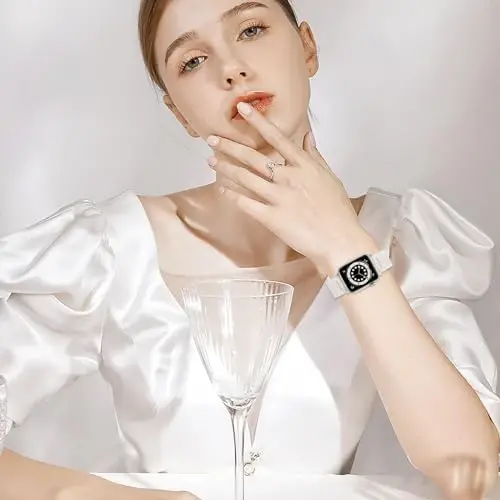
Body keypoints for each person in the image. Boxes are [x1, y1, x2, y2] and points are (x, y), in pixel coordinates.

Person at [0, 0, 499, 498]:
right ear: (179, 113)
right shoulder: (110, 250)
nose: (231, 68)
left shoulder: (401, 240)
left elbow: (473, 466)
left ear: (307, 48)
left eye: (251, 30)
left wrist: (345, 249)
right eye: (193, 61)